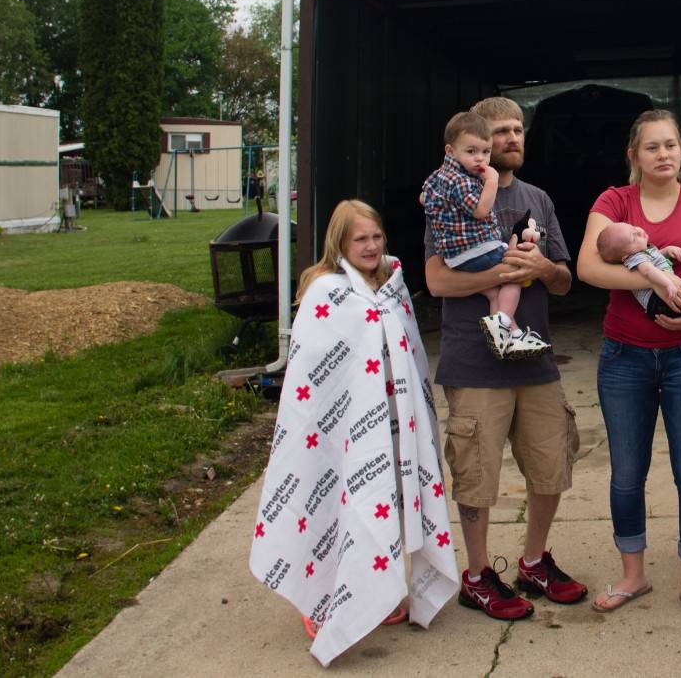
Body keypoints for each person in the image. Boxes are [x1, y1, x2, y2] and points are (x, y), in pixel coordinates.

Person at [249, 199, 458, 667]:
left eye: (376, 237)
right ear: (340, 243)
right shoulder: (326, 292)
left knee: (385, 507)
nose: (370, 246)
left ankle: (377, 591)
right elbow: (311, 377)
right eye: (359, 239)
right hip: (340, 431)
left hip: (391, 422)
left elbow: (412, 356)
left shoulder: (394, 287)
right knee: (334, 507)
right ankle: (322, 602)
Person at [424, 96, 587, 621]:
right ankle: (476, 575)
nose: (511, 138)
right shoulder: (451, 194)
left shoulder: (538, 199)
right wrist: (502, 275)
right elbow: (436, 280)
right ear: (475, 140)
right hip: (475, 363)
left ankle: (535, 561)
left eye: (518, 129)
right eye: (500, 132)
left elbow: (564, 282)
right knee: (477, 474)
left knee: (549, 465)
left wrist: (540, 267)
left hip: (535, 360)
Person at [577, 110, 681, 624]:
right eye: (652, 147)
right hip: (624, 357)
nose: (663, 155)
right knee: (627, 474)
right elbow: (588, 267)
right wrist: (654, 282)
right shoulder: (613, 202)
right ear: (634, 155)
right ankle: (634, 575)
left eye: (671, 145)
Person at [421, 111, 549, 360]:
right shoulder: (463, 181)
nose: (480, 158)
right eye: (471, 152)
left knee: (494, 292)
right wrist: (490, 180)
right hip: (476, 251)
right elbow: (480, 211)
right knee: (515, 273)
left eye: (485, 152)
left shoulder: (438, 177)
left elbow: (423, 197)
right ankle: (502, 321)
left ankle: (507, 339)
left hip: (457, 258)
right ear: (450, 151)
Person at [595, 220, 681, 322]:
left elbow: (655, 258)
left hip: (662, 300)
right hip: (657, 303)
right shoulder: (636, 258)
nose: (639, 232)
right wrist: (668, 283)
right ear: (625, 256)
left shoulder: (643, 252)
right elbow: (649, 271)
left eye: (633, 228)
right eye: (633, 238)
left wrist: (667, 251)